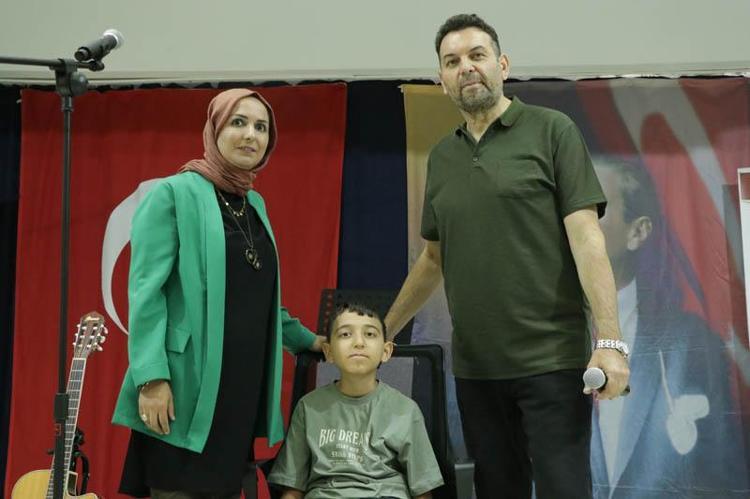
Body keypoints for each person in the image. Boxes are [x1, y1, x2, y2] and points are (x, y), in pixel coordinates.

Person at [383, 14, 630, 499]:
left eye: (477, 55)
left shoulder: (552, 131)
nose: (466, 67)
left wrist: (611, 343)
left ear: (502, 65)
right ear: (441, 79)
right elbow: (432, 259)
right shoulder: (442, 158)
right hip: (476, 371)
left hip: (552, 363)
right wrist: (384, 332)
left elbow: (587, 239)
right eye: (452, 61)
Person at [111, 88, 324, 499]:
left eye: (261, 127)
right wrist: (151, 378)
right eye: (238, 122)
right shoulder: (172, 193)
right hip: (184, 387)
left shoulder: (254, 204)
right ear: (214, 129)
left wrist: (309, 340)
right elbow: (145, 292)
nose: (251, 135)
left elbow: (260, 297)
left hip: (239, 389)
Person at [590, 156, 750, 498]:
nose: (574, 220)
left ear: (638, 232)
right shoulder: (538, 341)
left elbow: (724, 480)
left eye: (594, 206)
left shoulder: (690, 345)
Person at [267, 303, 444, 499]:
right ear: (328, 351)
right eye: (345, 334)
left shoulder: (406, 411)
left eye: (370, 334)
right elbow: (293, 489)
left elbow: (423, 491)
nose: (359, 343)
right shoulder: (308, 407)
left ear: (386, 351)